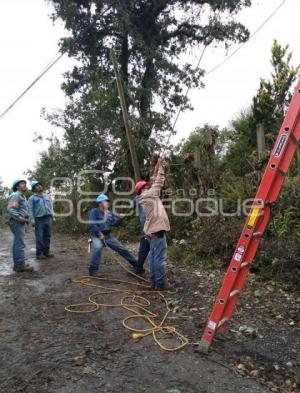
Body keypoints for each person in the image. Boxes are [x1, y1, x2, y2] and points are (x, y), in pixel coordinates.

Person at [137, 157, 172, 290]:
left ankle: (153, 282)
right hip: (157, 231)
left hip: (151, 231)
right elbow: (158, 182)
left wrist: (157, 167)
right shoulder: (150, 195)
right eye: (146, 186)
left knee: (153, 257)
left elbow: (154, 181)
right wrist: (161, 167)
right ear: (144, 189)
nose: (148, 186)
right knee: (160, 259)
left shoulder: (145, 197)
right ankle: (161, 284)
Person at [88, 194, 137, 277]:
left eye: (107, 201)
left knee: (122, 249)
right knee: (98, 248)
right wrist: (99, 234)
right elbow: (92, 224)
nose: (107, 203)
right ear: (100, 203)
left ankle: (136, 264)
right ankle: (93, 270)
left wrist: (120, 219)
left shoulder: (109, 213)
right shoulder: (94, 211)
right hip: (96, 235)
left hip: (108, 236)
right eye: (105, 201)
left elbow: (114, 224)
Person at [7, 179, 33, 273]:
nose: (24, 185)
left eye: (25, 183)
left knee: (18, 243)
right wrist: (21, 218)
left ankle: (18, 264)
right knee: (19, 244)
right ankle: (20, 265)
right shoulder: (15, 195)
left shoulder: (22, 196)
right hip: (18, 222)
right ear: (17, 187)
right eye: (22, 184)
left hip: (20, 222)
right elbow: (11, 209)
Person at [28, 181, 55, 260]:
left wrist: (53, 216)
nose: (39, 186)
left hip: (48, 218)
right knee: (39, 237)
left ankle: (47, 252)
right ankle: (39, 254)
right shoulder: (32, 198)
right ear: (34, 189)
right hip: (39, 219)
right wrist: (32, 220)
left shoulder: (47, 196)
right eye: (36, 186)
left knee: (48, 236)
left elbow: (51, 206)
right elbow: (30, 209)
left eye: (40, 185)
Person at [133, 181, 150, 275]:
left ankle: (138, 268)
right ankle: (155, 276)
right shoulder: (139, 199)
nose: (148, 188)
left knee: (143, 250)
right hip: (150, 228)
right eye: (146, 187)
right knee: (152, 251)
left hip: (146, 229)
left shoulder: (138, 199)